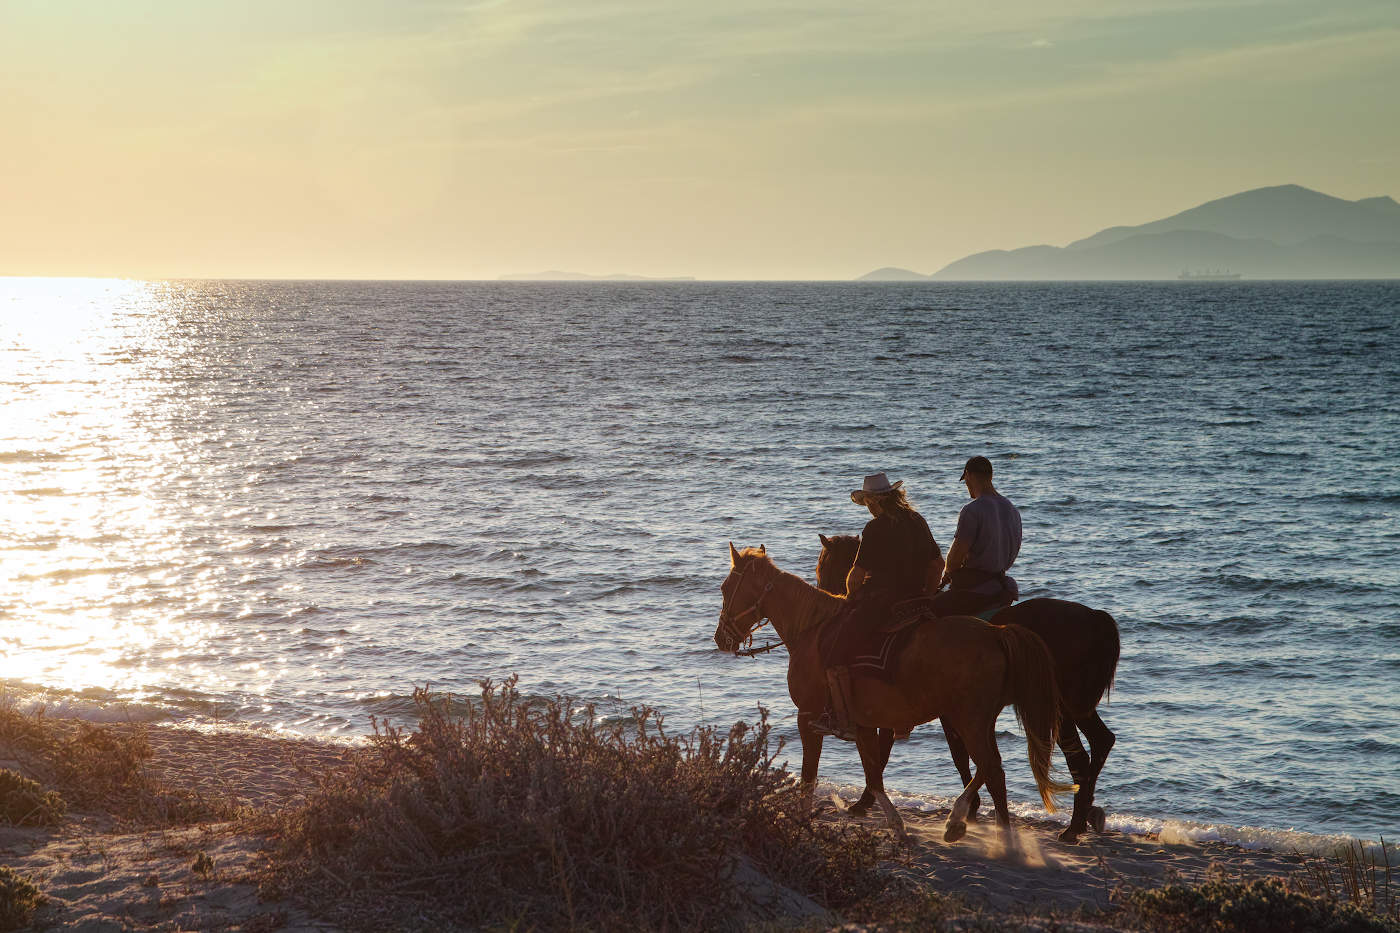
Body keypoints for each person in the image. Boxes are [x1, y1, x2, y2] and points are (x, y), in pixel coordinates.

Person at [811, 472, 938, 741]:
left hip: (883, 600)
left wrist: (849, 599)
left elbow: (855, 577)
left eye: (868, 501)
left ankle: (837, 716)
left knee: (832, 644)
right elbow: (937, 564)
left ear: (875, 501)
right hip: (918, 601)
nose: (867, 506)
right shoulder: (918, 521)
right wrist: (927, 594)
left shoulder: (876, 528)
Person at [931, 456, 1022, 617]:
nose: (966, 485)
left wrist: (946, 576)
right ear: (991, 476)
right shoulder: (1012, 510)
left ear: (968, 475)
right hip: (1002, 589)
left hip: (975, 592)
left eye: (965, 480)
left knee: (925, 614)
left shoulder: (972, 509)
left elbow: (954, 560)